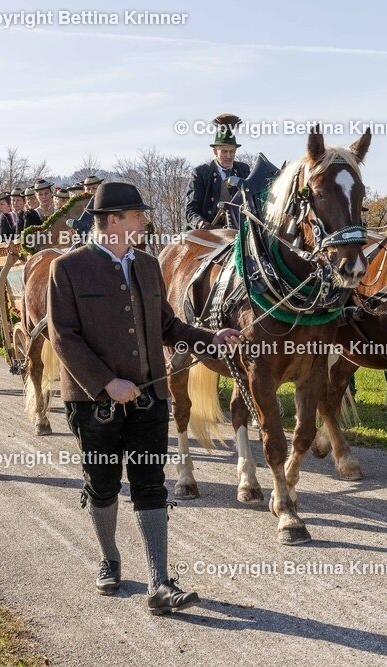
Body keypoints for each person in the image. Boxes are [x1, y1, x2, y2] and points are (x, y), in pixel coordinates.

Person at [47, 182, 241, 614]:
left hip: (149, 397)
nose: (145, 221)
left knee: (150, 485)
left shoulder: (150, 267)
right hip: (92, 401)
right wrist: (105, 383)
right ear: (112, 220)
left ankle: (159, 581)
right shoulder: (69, 268)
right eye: (138, 215)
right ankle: (109, 559)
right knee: (101, 485)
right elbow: (64, 337)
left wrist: (212, 337)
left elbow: (168, 327)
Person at [184, 114, 250, 229]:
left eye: (232, 151)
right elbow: (191, 209)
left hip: (241, 229)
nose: (229, 156)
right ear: (215, 151)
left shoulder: (243, 170)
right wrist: (200, 223)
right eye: (224, 151)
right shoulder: (200, 173)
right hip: (209, 230)